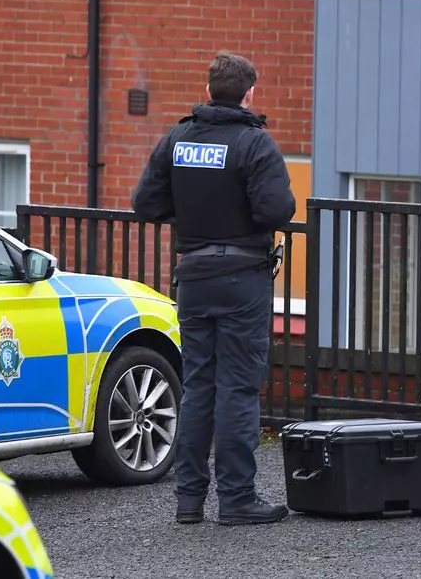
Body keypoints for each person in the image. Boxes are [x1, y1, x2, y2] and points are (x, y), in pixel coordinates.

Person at [131, 52, 296, 527]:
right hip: (242, 278)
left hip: (194, 277)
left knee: (198, 385)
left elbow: (146, 203)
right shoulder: (254, 144)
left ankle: (189, 500)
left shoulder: (177, 138)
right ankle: (237, 498)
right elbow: (275, 212)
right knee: (238, 389)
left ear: (207, 92)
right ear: (249, 94)